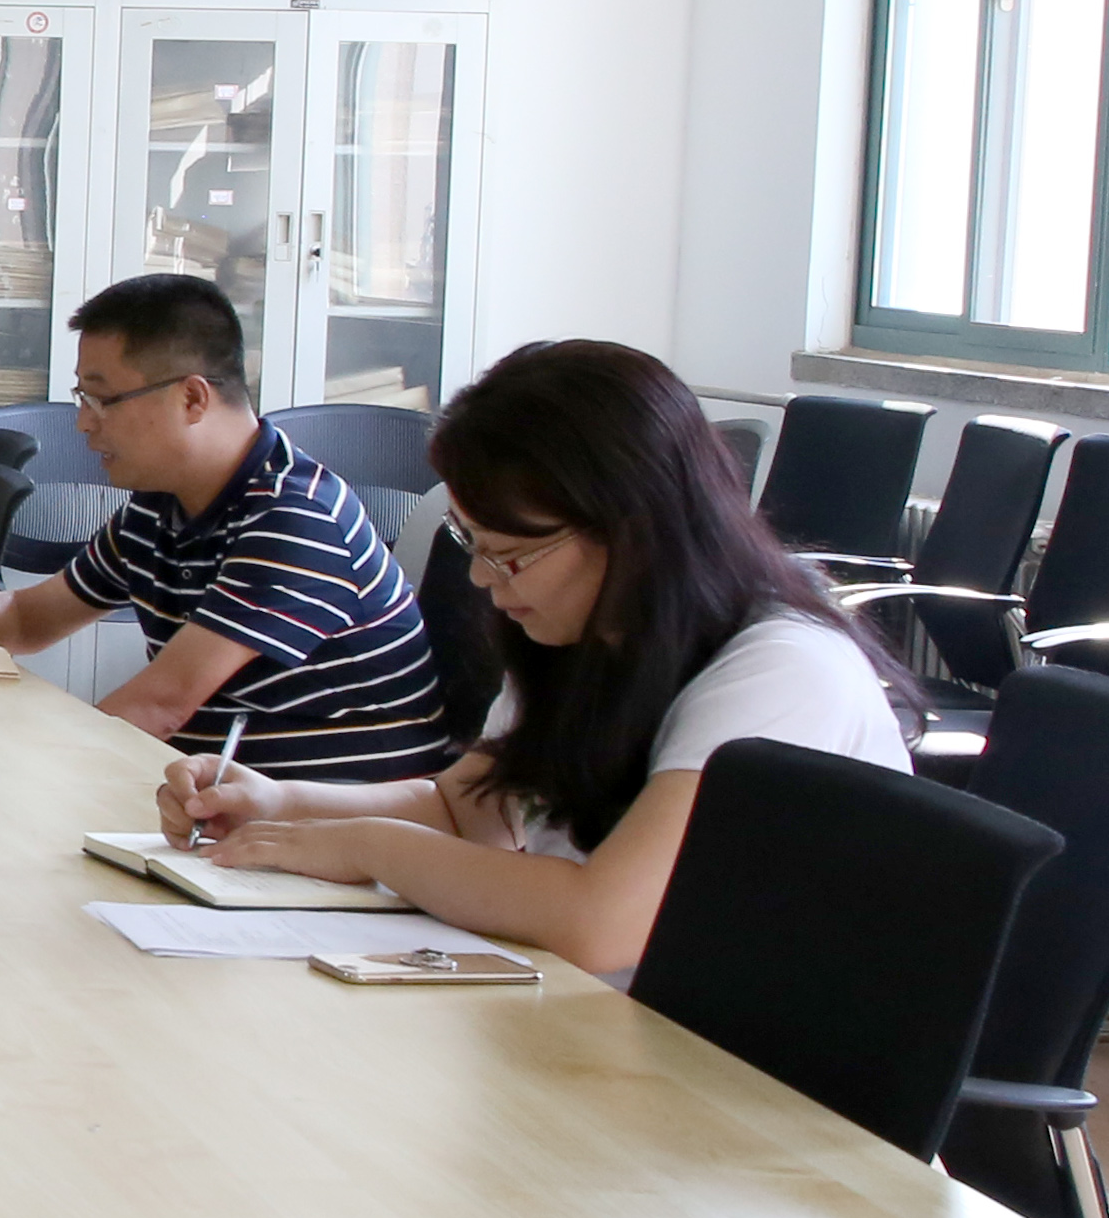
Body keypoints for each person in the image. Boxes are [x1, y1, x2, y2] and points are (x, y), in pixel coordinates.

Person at [156, 340, 916, 978]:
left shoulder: (782, 669)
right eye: (472, 544)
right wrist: (281, 803)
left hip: (749, 1072)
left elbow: (601, 923)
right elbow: (465, 811)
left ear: (630, 527)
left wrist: (367, 846)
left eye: (509, 554)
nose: (482, 579)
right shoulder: (588, 635)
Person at [0, 270, 454, 781]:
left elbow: (160, 706)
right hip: (219, 809)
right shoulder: (163, 503)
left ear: (193, 397)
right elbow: (25, 617)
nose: (82, 422)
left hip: (323, 840)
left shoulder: (293, 518)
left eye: (102, 399)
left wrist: (13, 776)